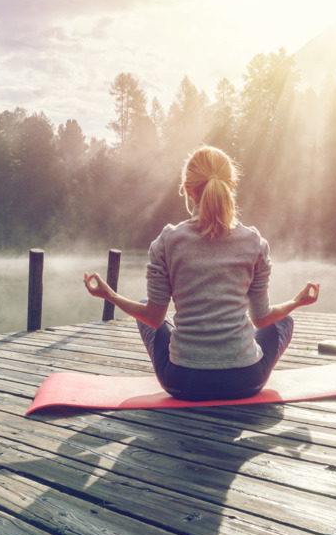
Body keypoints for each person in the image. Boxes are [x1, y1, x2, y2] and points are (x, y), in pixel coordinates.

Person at [83, 145, 320, 401]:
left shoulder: (167, 241)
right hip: (246, 381)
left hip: (182, 383)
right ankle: (238, 354)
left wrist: (110, 295)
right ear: (231, 186)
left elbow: (153, 317)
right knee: (283, 320)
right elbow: (261, 319)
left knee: (148, 309)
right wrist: (297, 302)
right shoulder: (255, 242)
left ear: (188, 189)